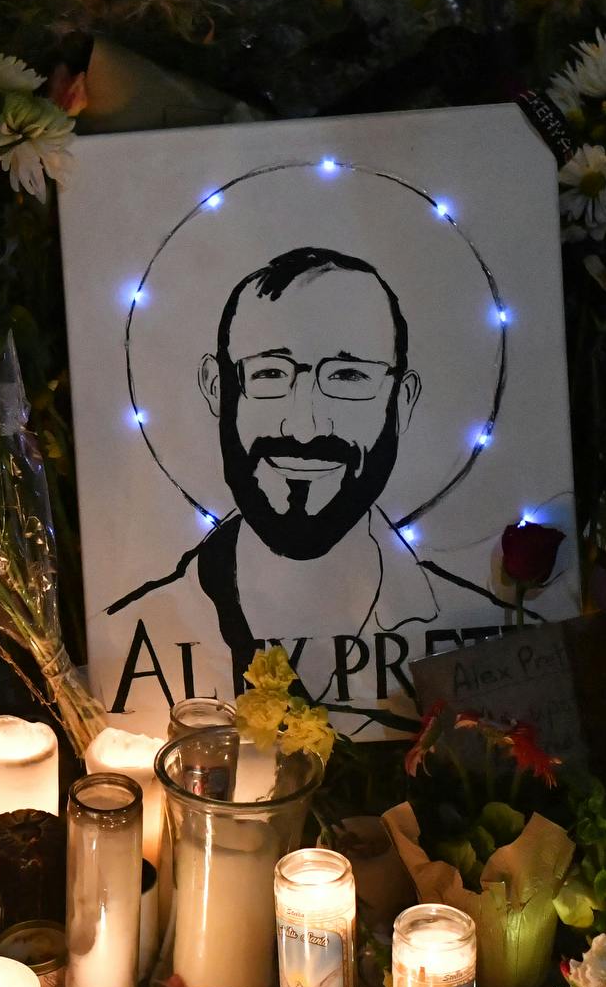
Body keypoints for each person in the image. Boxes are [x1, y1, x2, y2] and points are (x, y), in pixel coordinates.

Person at [109, 246, 452, 672]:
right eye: (270, 373)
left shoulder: (473, 627)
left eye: (348, 376)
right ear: (217, 388)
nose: (304, 428)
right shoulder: (128, 638)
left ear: (402, 399)